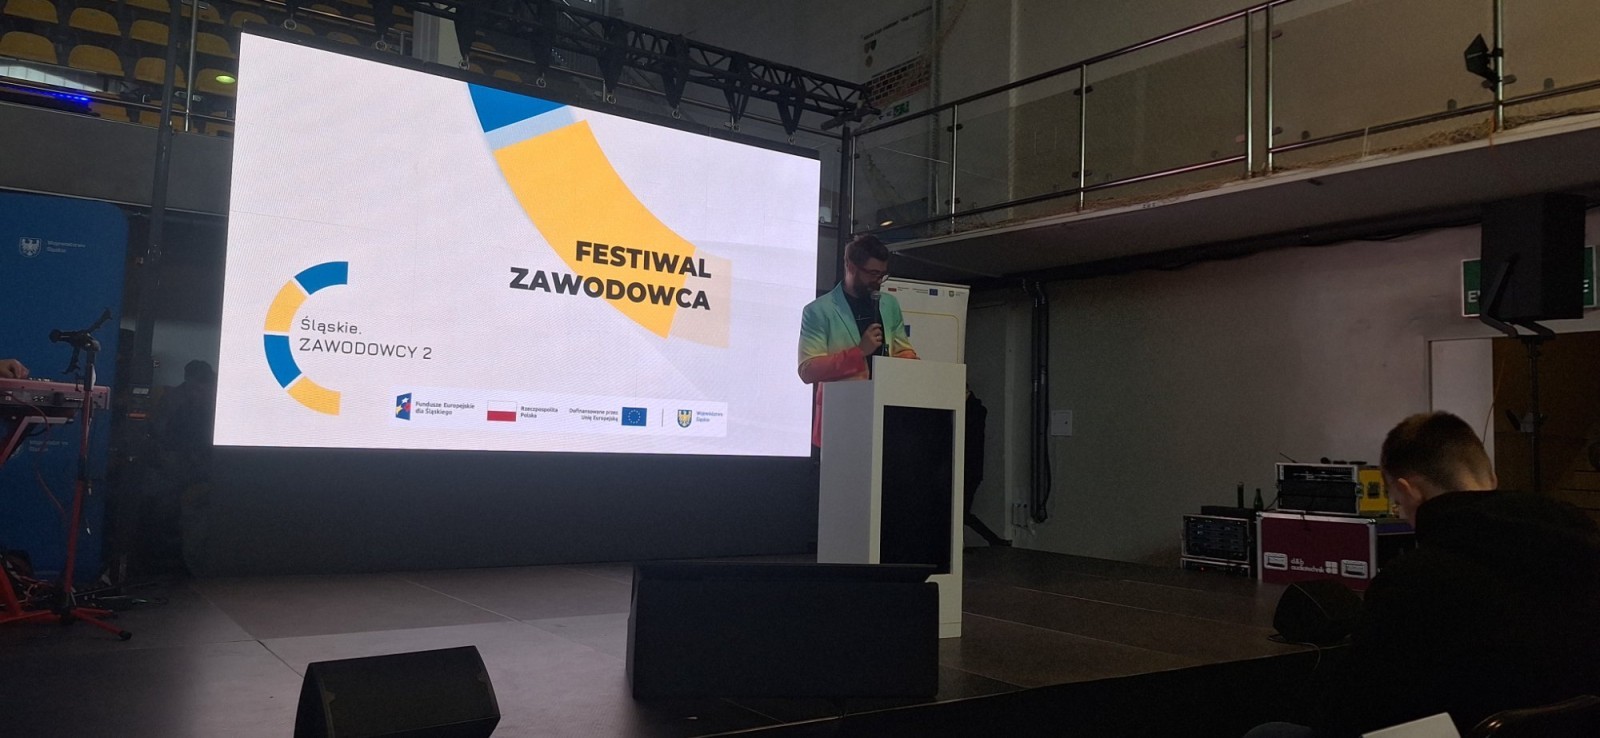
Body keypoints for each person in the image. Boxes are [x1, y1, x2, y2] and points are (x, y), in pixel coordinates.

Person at [1247, 411, 1600, 738]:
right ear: (1491, 479)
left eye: (1398, 503)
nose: (1402, 514)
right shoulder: (1581, 547)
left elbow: (1352, 713)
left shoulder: (1415, 579)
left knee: (1268, 732)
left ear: (1408, 490)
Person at [797, 234, 917, 446]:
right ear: (851, 266)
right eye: (872, 273)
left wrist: (911, 364)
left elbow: (902, 350)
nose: (878, 281)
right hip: (840, 419)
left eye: (882, 274)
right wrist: (859, 352)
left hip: (887, 415)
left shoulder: (889, 304)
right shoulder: (818, 310)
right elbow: (808, 370)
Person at [964, 388, 1009, 546]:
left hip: (969, 469)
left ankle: (992, 540)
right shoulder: (977, 410)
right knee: (961, 511)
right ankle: (992, 540)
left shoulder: (975, 411)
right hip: (971, 468)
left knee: (961, 511)